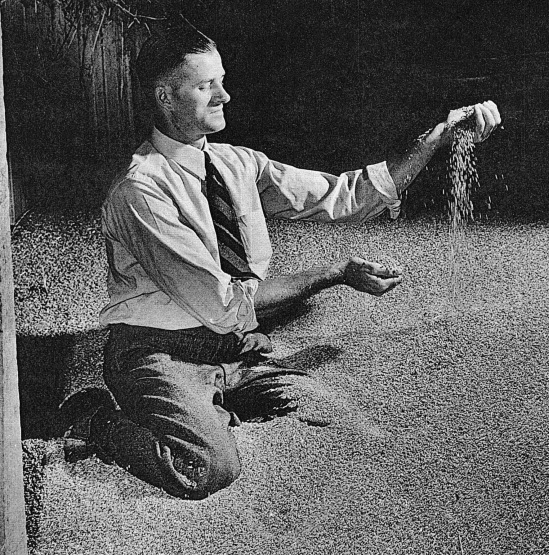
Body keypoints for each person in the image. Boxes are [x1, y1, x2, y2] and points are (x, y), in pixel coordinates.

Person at [61, 25, 501, 500]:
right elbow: (223, 304)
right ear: (165, 96)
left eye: (222, 81)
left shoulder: (237, 164)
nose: (225, 95)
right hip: (161, 353)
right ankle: (97, 421)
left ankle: (217, 404)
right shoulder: (141, 191)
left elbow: (346, 196)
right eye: (207, 86)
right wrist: (333, 273)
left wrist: (436, 138)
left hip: (235, 347)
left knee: (328, 413)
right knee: (207, 469)